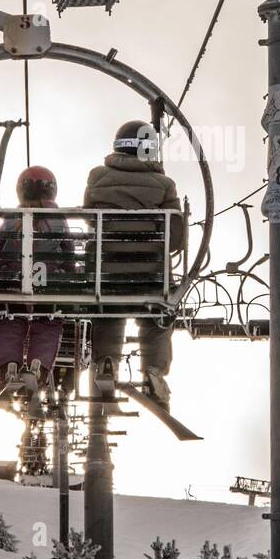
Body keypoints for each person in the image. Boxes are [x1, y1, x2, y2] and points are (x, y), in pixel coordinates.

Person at [85, 120, 183, 410]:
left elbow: (92, 220)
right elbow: (175, 237)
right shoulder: (164, 185)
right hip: (150, 276)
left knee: (106, 310)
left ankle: (106, 364)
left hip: (107, 274)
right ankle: (153, 371)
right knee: (158, 316)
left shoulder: (97, 177)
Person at [0, 166, 76, 406]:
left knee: (9, 320)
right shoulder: (58, 220)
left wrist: (4, 268)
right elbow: (69, 254)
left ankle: (9, 365)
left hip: (13, 283)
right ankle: (38, 366)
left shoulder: (10, 220)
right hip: (48, 284)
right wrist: (67, 273)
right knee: (48, 322)